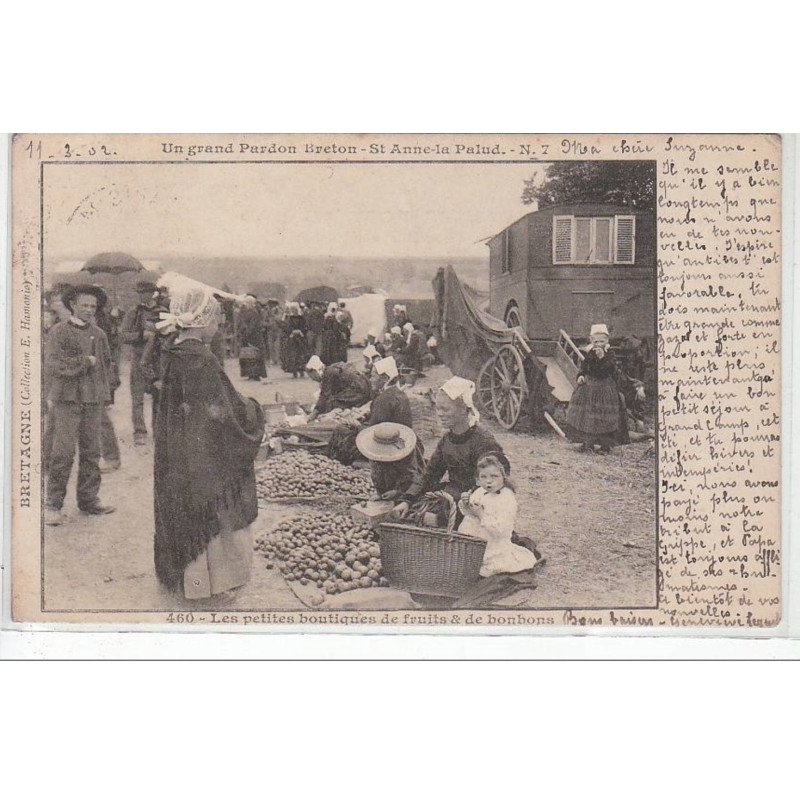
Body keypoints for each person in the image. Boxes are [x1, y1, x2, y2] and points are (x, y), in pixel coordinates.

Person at [153, 282, 265, 600]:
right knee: (213, 514)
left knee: (188, 511)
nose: (218, 326)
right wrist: (252, 410)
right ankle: (208, 586)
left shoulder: (177, 355)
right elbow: (223, 415)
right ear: (203, 322)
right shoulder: (200, 360)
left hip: (181, 452)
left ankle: (191, 582)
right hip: (204, 456)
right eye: (216, 320)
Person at [44, 285, 116, 525]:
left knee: (91, 452)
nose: (89, 310)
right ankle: (53, 504)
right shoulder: (58, 332)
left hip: (92, 400)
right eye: (84, 305)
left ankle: (88, 500)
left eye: (93, 306)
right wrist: (84, 362)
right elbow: (54, 365)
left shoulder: (100, 334)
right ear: (73, 305)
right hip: (67, 400)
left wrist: (105, 395)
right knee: (62, 453)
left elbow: (106, 366)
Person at [392, 376, 505, 516]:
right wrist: (407, 500)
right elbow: (430, 475)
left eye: (445, 409)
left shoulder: (483, 442)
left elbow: (492, 486)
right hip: (452, 496)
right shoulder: (447, 440)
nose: (440, 414)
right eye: (438, 408)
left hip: (477, 502)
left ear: (463, 409)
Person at [458, 454, 538, 577]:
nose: (488, 481)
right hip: (474, 538)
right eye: (483, 477)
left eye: (494, 476)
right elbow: (470, 513)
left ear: (503, 477)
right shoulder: (480, 491)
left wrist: (481, 515)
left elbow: (501, 531)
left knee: (490, 566)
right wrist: (467, 504)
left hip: (493, 542)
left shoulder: (506, 498)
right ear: (478, 480)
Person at [565, 323, 633, 454]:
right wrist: (581, 375)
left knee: (605, 417)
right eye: (596, 341)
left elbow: (610, 369)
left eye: (602, 341)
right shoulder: (590, 353)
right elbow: (584, 367)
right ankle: (587, 443)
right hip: (589, 388)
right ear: (591, 341)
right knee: (588, 416)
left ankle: (605, 446)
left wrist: (602, 358)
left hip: (605, 388)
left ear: (607, 341)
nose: (599, 344)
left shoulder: (610, 354)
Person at [122, 280, 163, 445]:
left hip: (158, 360)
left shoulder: (163, 311)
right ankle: (140, 432)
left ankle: (158, 430)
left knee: (158, 396)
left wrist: (157, 332)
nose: (141, 296)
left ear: (152, 293)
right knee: (137, 398)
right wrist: (140, 335)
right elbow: (123, 335)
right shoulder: (133, 312)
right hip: (139, 359)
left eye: (144, 292)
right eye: (139, 293)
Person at [356, 422, 425, 501]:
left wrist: (398, 492)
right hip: (390, 483)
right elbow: (376, 473)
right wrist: (381, 494)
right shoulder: (374, 451)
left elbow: (411, 476)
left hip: (408, 485)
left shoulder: (405, 451)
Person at [305, 355, 372, 422]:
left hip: (360, 392)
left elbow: (324, 396)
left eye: (312, 376)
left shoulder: (328, 373)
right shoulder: (330, 370)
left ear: (315, 371)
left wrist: (313, 414)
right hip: (363, 389)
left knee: (331, 403)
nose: (313, 379)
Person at [236, 294, 268, 381]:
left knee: (254, 355)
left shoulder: (254, 312)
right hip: (249, 336)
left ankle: (255, 374)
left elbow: (252, 326)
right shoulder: (248, 312)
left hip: (253, 337)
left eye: (247, 303)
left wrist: (246, 333)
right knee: (249, 355)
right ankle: (250, 374)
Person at [281, 302, 309, 378]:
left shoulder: (302, 318)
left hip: (300, 339)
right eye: (292, 309)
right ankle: (294, 371)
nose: (294, 311)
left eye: (295, 309)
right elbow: (286, 327)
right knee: (293, 355)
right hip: (292, 339)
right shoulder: (289, 318)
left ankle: (301, 371)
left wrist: (300, 331)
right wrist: (292, 331)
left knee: (301, 355)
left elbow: (305, 326)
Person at [263, 299, 283, 365]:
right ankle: (272, 359)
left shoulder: (279, 310)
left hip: (278, 330)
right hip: (270, 330)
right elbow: (264, 321)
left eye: (271, 304)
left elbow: (280, 320)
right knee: (270, 345)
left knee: (277, 345)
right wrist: (267, 324)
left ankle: (277, 359)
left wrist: (273, 315)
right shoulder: (267, 312)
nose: (270, 305)